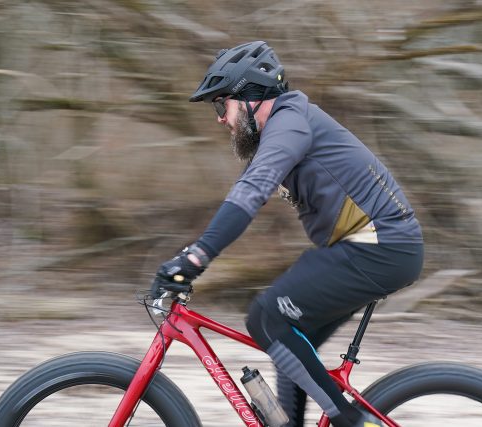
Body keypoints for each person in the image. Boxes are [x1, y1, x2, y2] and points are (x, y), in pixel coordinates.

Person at [150, 41, 424, 427]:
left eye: (221, 106)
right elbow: (244, 194)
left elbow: (250, 193)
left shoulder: (289, 123)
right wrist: (192, 252)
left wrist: (195, 258)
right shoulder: (285, 128)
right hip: (376, 249)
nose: (220, 120)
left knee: (266, 318)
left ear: (249, 98)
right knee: (290, 346)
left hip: (380, 248)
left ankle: (353, 421)